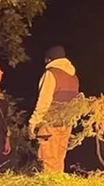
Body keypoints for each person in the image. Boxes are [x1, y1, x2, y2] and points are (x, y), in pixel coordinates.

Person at [29, 45, 80, 174]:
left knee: (48, 159)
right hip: (67, 123)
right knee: (59, 159)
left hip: (50, 123)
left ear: (48, 60)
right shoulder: (74, 77)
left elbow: (44, 100)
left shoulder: (51, 74)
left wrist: (33, 122)